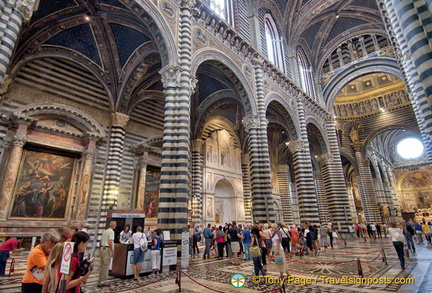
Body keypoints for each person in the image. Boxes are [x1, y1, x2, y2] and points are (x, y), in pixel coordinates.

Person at [98, 221, 116, 287]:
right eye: (115, 225)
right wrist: (112, 251)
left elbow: (100, 241)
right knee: (106, 266)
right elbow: (110, 241)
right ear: (113, 225)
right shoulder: (111, 232)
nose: (116, 226)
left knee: (102, 265)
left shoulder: (105, 231)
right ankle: (103, 281)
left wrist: (100, 248)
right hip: (107, 249)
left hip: (102, 248)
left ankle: (100, 280)